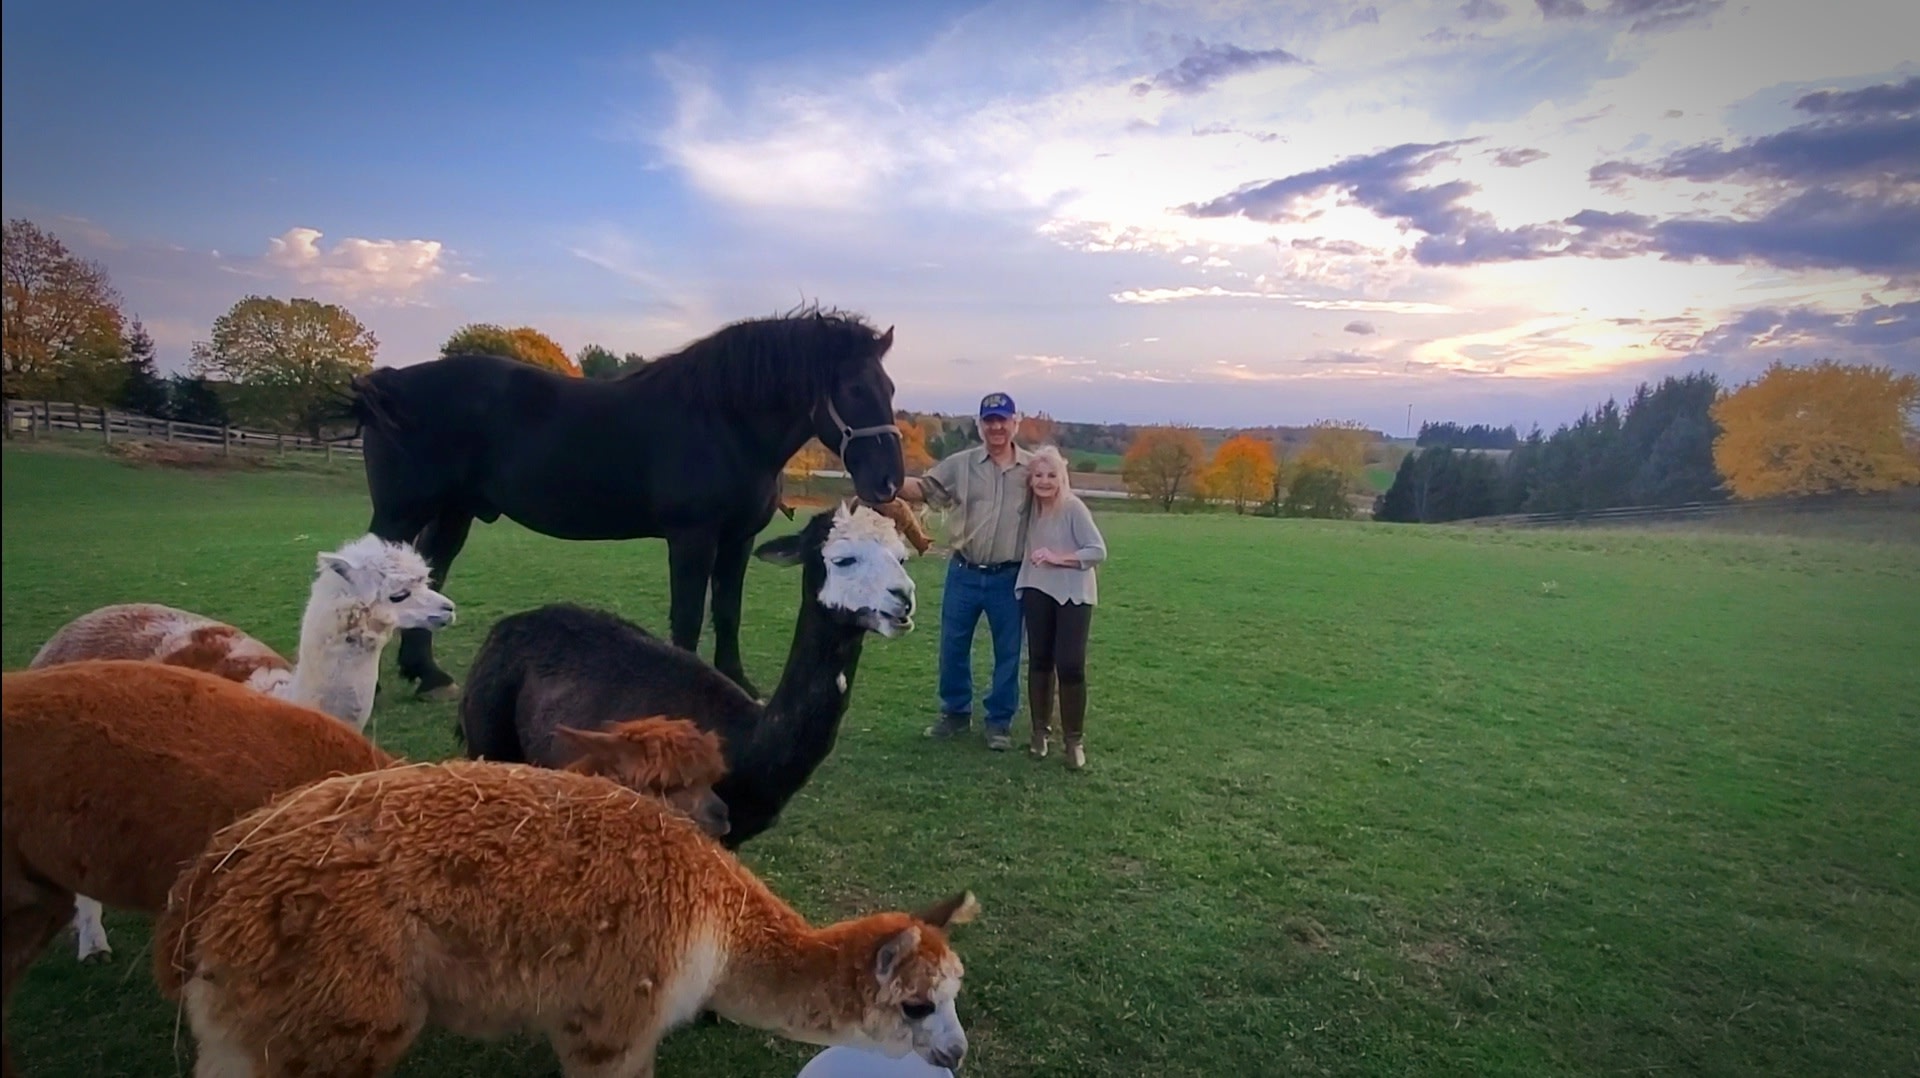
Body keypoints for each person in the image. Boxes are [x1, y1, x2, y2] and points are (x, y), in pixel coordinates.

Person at [896, 391, 1032, 750]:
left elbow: (1059, 504)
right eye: (989, 421)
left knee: (1009, 651)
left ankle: (999, 722)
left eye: (1003, 419)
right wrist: (884, 478)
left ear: (1015, 422)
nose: (997, 427)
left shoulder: (1033, 470)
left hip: (1010, 577)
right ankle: (954, 713)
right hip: (964, 573)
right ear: (979, 425)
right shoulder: (960, 464)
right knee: (953, 646)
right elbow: (923, 489)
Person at [1015, 445, 1106, 770]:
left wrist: (1058, 559)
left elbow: (1097, 551)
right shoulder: (1028, 509)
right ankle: (1040, 732)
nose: (1044, 481)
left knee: (1069, 665)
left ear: (1062, 477)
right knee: (1039, 661)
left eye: (1051, 475)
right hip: (1036, 589)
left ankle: (1073, 740)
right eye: (1038, 475)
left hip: (1073, 594)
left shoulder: (1073, 508)